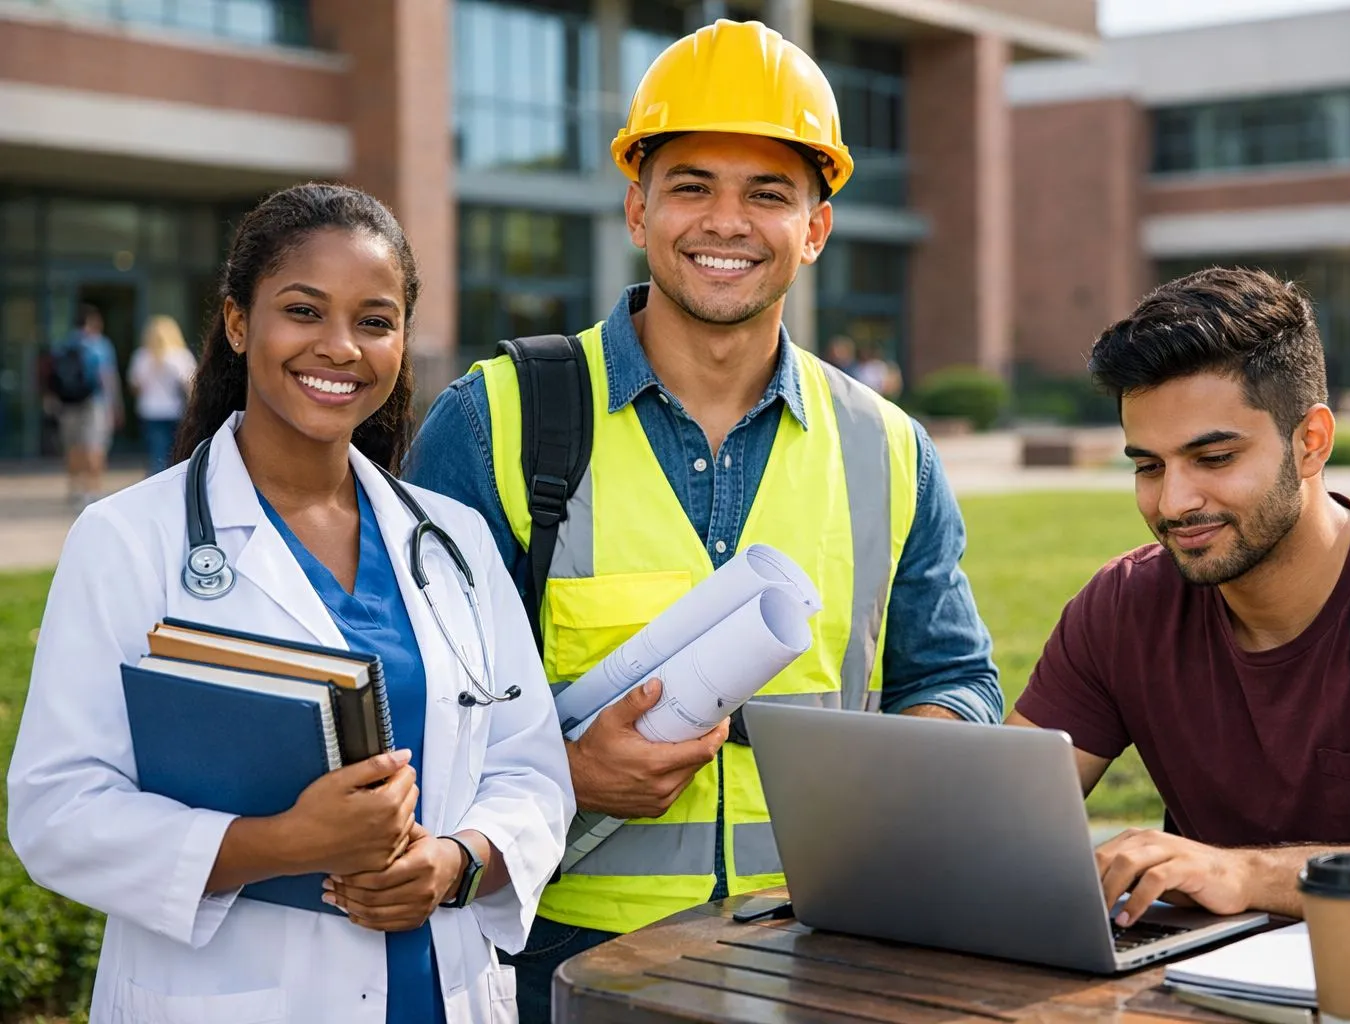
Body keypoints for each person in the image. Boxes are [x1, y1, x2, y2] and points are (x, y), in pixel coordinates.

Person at [404, 19, 1002, 1023]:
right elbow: (408, 709)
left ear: (816, 227)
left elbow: (956, 681)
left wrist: (904, 762)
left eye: (768, 193)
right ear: (638, 208)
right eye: (692, 186)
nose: (727, 222)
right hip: (557, 960)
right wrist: (568, 774)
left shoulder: (889, 448)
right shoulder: (494, 419)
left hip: (817, 947)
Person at [7, 183, 575, 1024]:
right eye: (304, 311)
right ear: (239, 323)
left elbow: (530, 772)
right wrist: (283, 844)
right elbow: (56, 811)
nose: (340, 347)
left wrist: (458, 862)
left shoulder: (451, 539)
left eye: (375, 321)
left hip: (438, 989)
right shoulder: (128, 539)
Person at [1007, 267, 1350, 928]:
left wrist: (1248, 875)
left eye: (1215, 458)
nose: (1173, 503)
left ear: (1311, 442)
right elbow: (998, 819)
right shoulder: (1122, 608)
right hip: (1198, 978)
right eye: (1148, 466)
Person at [47, 303, 122, 506]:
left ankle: (75, 488)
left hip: (68, 402)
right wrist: (115, 406)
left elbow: (53, 376)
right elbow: (107, 377)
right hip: (94, 402)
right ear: (92, 321)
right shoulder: (100, 345)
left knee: (72, 446)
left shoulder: (64, 344)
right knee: (95, 445)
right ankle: (94, 489)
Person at [128, 314, 198, 475]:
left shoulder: (141, 356)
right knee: (176, 452)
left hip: (149, 410)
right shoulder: (180, 355)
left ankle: (156, 480)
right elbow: (190, 384)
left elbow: (135, 387)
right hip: (174, 409)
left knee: (156, 453)